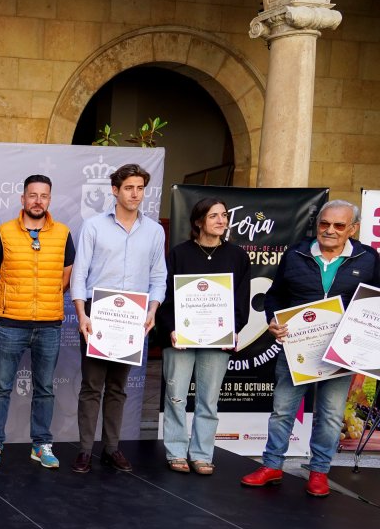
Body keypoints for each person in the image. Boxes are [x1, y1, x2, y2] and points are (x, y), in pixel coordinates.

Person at [243, 200, 380, 497]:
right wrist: (273, 320)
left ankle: (319, 471)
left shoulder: (368, 258)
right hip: (297, 349)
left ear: (353, 229)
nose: (329, 230)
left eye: (339, 226)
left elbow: (376, 303)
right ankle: (272, 466)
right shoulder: (296, 253)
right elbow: (275, 296)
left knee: (330, 415)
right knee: (282, 411)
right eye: (324, 224)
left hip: (340, 353)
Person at [70, 163, 165, 473]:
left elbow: (159, 276)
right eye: (128, 188)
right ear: (115, 190)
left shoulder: (154, 231)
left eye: (139, 188)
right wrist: (82, 314)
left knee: (118, 388)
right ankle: (85, 450)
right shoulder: (94, 226)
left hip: (133, 323)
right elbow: (80, 273)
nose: (135, 194)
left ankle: (112, 448)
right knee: (91, 387)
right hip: (97, 320)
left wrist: (152, 309)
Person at [0, 175, 74, 469]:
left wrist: (42, 301)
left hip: (49, 325)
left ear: (49, 200)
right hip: (10, 325)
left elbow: (66, 277)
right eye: (32, 195)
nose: (37, 201)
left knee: (45, 388)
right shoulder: (4, 232)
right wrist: (8, 303)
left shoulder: (63, 233)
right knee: (2, 387)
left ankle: (41, 444)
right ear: (22, 199)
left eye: (43, 196)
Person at [158, 198, 250, 475]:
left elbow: (241, 300)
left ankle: (201, 454)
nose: (221, 221)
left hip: (217, 340)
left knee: (208, 400)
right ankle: (176, 451)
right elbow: (164, 296)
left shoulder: (237, 256)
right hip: (180, 339)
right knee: (175, 397)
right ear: (199, 222)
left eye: (224, 215)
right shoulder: (179, 254)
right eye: (214, 216)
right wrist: (171, 328)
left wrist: (233, 330)